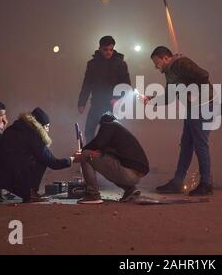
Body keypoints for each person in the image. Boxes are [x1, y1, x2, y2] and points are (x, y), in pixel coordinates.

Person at [144, 46, 214, 196]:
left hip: (202, 107)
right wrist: (152, 100)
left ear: (165, 58)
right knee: (187, 145)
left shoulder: (182, 64)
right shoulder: (170, 71)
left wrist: (192, 92)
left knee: (200, 145)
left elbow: (204, 75)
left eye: (157, 62)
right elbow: (170, 97)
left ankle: (206, 184)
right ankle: (177, 182)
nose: (156, 66)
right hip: (192, 108)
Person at [0, 107, 74, 202]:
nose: (48, 130)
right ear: (39, 125)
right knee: (41, 161)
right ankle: (31, 193)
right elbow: (53, 162)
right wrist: (72, 159)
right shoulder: (33, 136)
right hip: (8, 175)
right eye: (47, 126)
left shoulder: (14, 128)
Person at [74, 112, 149, 204]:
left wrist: (81, 152)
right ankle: (130, 190)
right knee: (107, 165)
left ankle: (92, 195)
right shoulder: (120, 132)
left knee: (85, 155)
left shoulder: (109, 125)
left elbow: (98, 143)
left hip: (127, 173)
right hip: (135, 176)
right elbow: (103, 150)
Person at [78, 36, 131, 143]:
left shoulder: (120, 64)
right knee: (89, 131)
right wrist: (82, 103)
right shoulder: (92, 64)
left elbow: (126, 84)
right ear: (100, 48)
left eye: (111, 49)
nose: (108, 52)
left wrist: (117, 98)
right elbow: (87, 84)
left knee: (112, 133)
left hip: (113, 105)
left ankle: (110, 156)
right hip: (97, 104)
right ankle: (91, 154)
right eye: (106, 50)